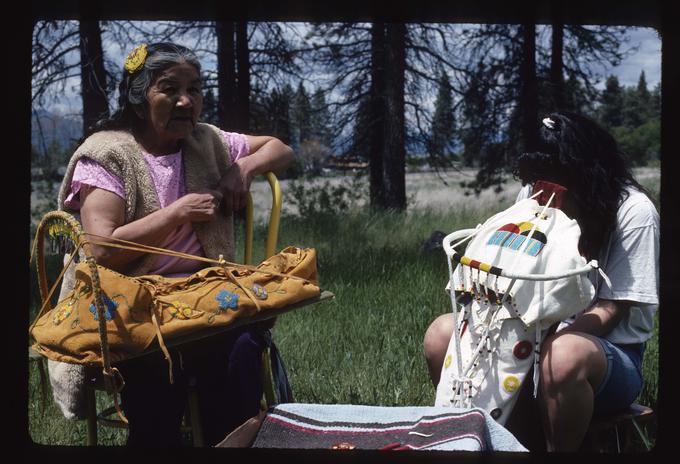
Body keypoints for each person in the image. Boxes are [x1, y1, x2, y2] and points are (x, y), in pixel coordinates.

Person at [57, 42, 295, 447]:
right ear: (138, 99)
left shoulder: (208, 141)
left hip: (204, 300)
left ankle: (230, 440)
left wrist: (244, 167)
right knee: (157, 369)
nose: (186, 101)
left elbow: (281, 148)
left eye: (196, 89)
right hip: (130, 306)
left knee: (242, 345)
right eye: (170, 89)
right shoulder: (107, 156)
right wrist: (177, 213)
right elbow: (100, 248)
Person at [422, 111, 659, 452]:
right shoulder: (536, 193)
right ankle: (496, 443)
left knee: (561, 355)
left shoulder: (633, 212)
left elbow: (613, 307)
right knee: (442, 334)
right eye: (536, 181)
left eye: (556, 185)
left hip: (607, 353)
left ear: (587, 175)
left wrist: (545, 342)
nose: (543, 194)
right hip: (528, 333)